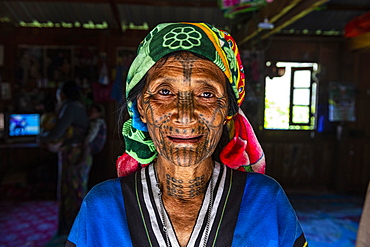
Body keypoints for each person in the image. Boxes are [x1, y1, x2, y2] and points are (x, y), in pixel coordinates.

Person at [66, 22, 307, 246]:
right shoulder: (102, 208)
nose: (185, 115)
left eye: (206, 94)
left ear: (228, 111)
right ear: (141, 107)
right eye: (164, 91)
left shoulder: (266, 201)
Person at [37, 80, 92, 241]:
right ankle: (76, 231)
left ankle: (72, 232)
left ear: (62, 94)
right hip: (79, 153)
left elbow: (57, 132)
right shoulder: (78, 105)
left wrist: (40, 137)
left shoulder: (70, 107)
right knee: (77, 190)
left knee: (71, 192)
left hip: (74, 154)